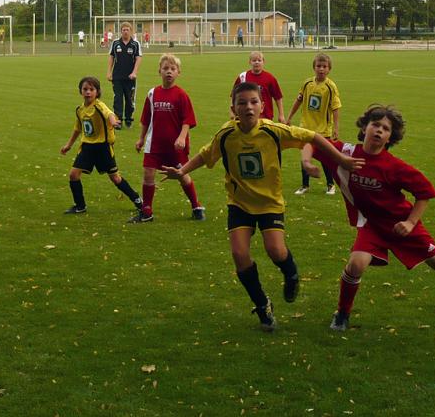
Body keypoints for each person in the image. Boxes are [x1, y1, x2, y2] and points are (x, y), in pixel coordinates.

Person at [162, 82, 364, 332]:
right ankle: (262, 305)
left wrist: (341, 158)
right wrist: (182, 171)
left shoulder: (273, 131)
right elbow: (206, 154)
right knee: (239, 255)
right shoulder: (226, 134)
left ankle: (291, 273)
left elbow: (312, 137)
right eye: (242, 103)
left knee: (275, 250)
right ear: (233, 108)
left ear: (262, 106)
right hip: (239, 203)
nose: (248, 107)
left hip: (270, 203)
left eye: (253, 102)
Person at [301, 104, 435, 331]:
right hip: (372, 226)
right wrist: (306, 162)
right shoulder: (345, 153)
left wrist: (411, 222)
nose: (379, 130)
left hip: (400, 224)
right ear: (364, 127)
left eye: (386, 128)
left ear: (391, 137)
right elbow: (311, 142)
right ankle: (342, 313)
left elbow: (425, 193)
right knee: (356, 265)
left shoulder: (395, 167)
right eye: (375, 124)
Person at [133, 54, 204, 223]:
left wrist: (182, 138)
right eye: (165, 68)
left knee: (182, 175)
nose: (169, 72)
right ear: (159, 71)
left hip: (175, 146)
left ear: (179, 72)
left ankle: (196, 206)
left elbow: (188, 120)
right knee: (148, 174)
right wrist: (141, 138)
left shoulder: (181, 95)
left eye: (173, 69)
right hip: (154, 144)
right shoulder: (152, 93)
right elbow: (146, 119)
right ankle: (147, 211)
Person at [60, 76, 143, 215]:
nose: (88, 92)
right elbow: (78, 128)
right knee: (73, 175)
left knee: (115, 178)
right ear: (80, 91)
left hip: (103, 148)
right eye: (85, 89)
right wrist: (68, 145)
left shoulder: (99, 106)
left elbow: (109, 113)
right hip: (87, 148)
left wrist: (113, 121)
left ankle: (137, 199)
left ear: (97, 92)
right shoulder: (80, 110)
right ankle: (80, 206)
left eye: (91, 89)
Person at [285, 53, 340, 196]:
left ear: (329, 69)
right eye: (318, 66)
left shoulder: (330, 86)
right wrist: (289, 117)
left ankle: (330, 185)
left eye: (324, 66)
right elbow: (298, 100)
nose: (321, 69)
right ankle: (305, 185)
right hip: (306, 128)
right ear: (314, 67)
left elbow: (335, 108)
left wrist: (336, 128)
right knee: (305, 157)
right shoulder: (307, 83)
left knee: (325, 158)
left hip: (323, 130)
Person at [107, 22, 142, 128]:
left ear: (131, 31)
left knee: (129, 99)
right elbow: (111, 57)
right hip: (117, 77)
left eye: (127, 30)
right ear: (121, 31)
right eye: (123, 30)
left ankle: (128, 119)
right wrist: (109, 72)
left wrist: (134, 72)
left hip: (130, 78)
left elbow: (138, 58)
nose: (125, 32)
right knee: (117, 99)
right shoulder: (115, 43)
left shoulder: (135, 44)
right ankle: (118, 121)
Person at [232, 51, 285, 122]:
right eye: (254, 60)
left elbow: (278, 97)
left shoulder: (270, 78)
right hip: (246, 116)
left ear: (263, 62)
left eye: (259, 60)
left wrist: (281, 114)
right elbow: (234, 96)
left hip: (266, 117)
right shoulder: (242, 77)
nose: (257, 62)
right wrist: (232, 112)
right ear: (250, 62)